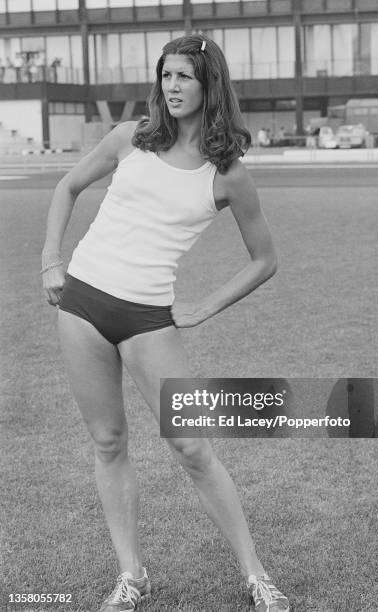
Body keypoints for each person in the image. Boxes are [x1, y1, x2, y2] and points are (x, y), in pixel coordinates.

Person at [41, 34, 289, 612]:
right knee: (108, 442)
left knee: (192, 447)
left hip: (149, 318)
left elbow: (265, 259)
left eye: (184, 77)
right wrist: (52, 261)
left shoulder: (227, 173)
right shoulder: (130, 138)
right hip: (81, 306)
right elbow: (67, 186)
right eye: (166, 76)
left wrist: (204, 307)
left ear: (210, 85)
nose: (172, 87)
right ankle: (132, 576)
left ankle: (257, 576)